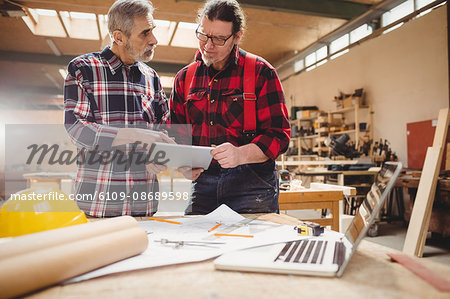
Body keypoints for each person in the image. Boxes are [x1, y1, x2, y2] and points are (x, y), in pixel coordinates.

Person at [170, 0, 291, 215]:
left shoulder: (261, 72)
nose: (208, 45)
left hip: (252, 186)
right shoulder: (184, 78)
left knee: (254, 247)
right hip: (203, 185)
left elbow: (279, 135)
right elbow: (177, 134)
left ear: (237, 36)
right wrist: (182, 163)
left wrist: (240, 155)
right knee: (195, 245)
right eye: (204, 35)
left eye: (219, 39)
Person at [64, 0, 173, 217]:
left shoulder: (152, 78)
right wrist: (136, 134)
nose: (154, 40)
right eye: (145, 33)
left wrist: (161, 155)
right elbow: (77, 129)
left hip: (144, 207)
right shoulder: (83, 69)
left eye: (153, 31)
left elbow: (165, 131)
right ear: (119, 37)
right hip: (98, 206)